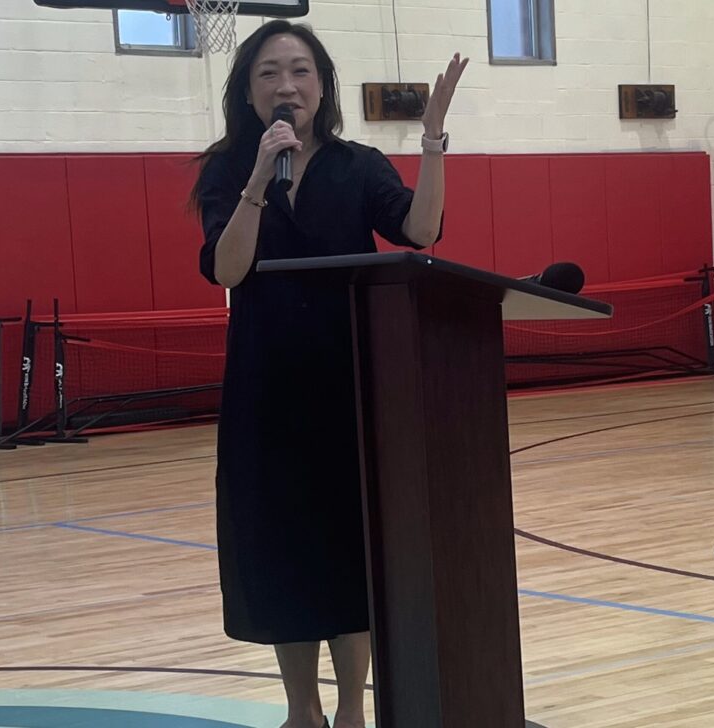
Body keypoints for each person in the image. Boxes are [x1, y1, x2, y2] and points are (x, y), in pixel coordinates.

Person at [192, 19, 467, 728]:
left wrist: (432, 143)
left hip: (350, 386)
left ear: (322, 84)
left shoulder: (358, 165)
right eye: (269, 73)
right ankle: (302, 711)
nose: (286, 85)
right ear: (248, 91)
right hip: (266, 390)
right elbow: (229, 267)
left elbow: (422, 230)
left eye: (301, 70)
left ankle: (351, 711)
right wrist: (258, 176)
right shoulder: (226, 169)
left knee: (350, 548)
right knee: (282, 547)